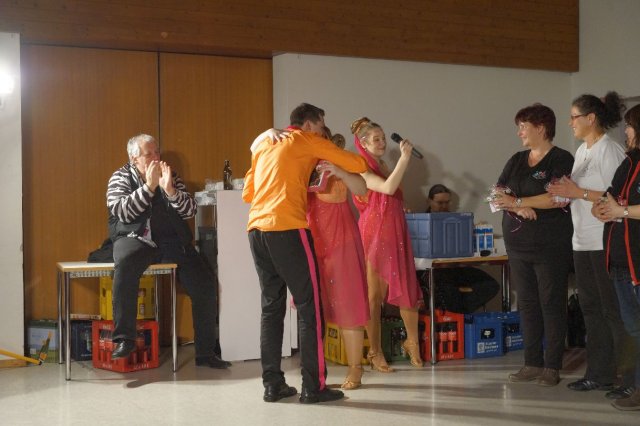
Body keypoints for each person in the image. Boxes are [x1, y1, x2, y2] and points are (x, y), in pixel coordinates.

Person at [243, 103, 368, 404]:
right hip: (288, 228)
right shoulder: (307, 140)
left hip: (256, 229)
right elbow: (358, 164)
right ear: (310, 124)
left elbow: (248, 191)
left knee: (271, 308)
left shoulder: (266, 144)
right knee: (310, 307)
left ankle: (272, 385)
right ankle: (314, 386)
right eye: (321, 124)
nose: (323, 130)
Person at [106, 134, 231, 369]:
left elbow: (190, 210)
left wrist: (171, 191)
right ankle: (124, 338)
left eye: (157, 152)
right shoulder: (120, 177)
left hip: (171, 241)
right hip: (135, 238)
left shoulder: (170, 175)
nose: (155, 157)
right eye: (149, 154)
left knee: (204, 282)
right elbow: (122, 212)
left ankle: (206, 352)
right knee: (125, 264)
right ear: (134, 158)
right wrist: (148, 187)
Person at [547, 92, 635, 399]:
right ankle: (599, 374)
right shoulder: (583, 150)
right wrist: (566, 194)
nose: (570, 122)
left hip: (603, 240)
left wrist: (579, 193)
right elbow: (581, 192)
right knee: (591, 310)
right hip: (581, 240)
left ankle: (627, 377)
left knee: (613, 312)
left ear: (591, 118)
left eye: (574, 116)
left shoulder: (609, 150)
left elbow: (618, 196)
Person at [491, 104, 574, 387]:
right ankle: (532, 362)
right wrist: (517, 207)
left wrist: (518, 201)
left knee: (551, 302)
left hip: (550, 244)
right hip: (517, 244)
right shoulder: (516, 159)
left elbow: (557, 197)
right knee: (526, 303)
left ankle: (552, 366)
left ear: (541, 127)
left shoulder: (561, 158)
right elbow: (497, 193)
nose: (519, 133)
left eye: (523, 127)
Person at [351, 117, 424, 371]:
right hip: (374, 235)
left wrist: (400, 207)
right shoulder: (360, 168)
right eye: (377, 139)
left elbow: (391, 196)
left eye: (383, 138)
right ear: (363, 143)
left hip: (395, 232)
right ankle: (375, 351)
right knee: (374, 296)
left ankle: (412, 343)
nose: (382, 143)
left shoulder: (382, 165)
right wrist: (404, 158)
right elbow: (388, 188)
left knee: (407, 289)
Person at [306, 128, 370, 390]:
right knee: (315, 307)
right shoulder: (305, 164)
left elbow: (362, 188)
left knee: (348, 304)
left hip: (341, 240)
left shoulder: (338, 161)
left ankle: (356, 368)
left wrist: (340, 172)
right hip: (314, 240)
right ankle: (317, 371)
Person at [592, 103, 640, 411]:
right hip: (621, 261)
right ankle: (634, 385)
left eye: (631, 126)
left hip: (637, 262)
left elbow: (623, 207)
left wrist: (620, 210)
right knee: (633, 329)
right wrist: (601, 208)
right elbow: (609, 196)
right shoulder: (628, 162)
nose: (626, 131)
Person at [425, 184, 500, 314]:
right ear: (429, 201)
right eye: (440, 203)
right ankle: (458, 314)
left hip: (456, 267)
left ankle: (460, 313)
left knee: (490, 285)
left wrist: (474, 231)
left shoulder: (457, 219)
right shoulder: (422, 220)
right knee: (448, 290)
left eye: (447, 202)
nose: (444, 206)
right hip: (434, 270)